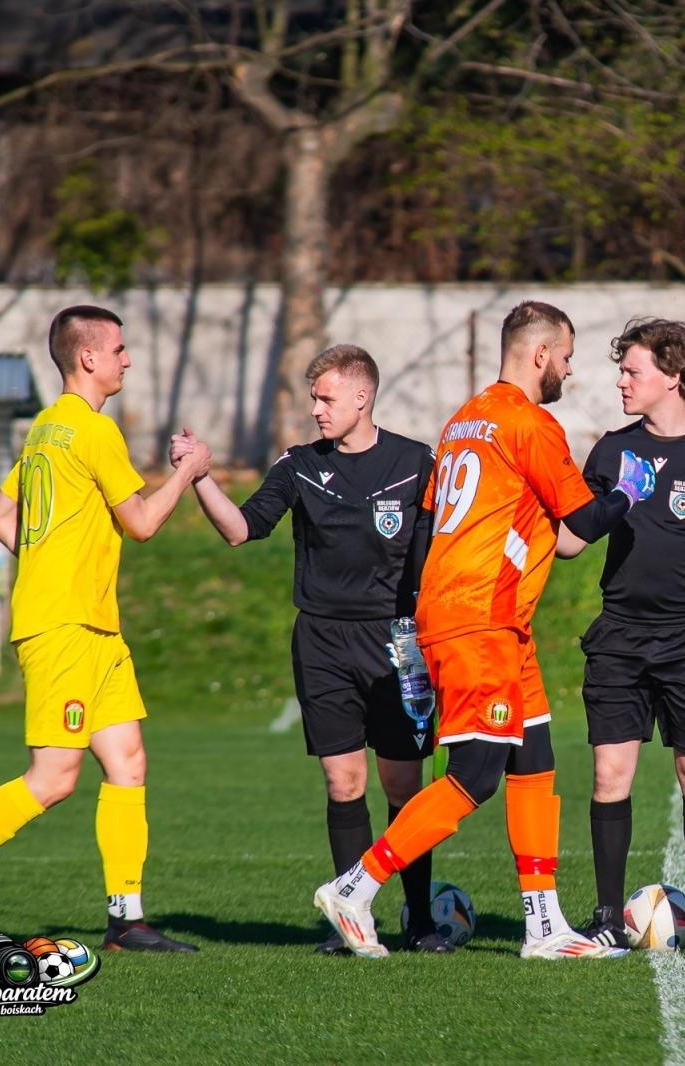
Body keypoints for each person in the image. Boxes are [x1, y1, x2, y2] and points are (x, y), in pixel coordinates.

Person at [312, 300, 655, 959]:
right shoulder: (529, 421)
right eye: (567, 356)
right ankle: (357, 885)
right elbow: (584, 522)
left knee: (535, 759)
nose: (569, 370)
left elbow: (437, 522)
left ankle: (544, 926)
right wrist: (628, 492)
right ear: (540, 354)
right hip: (479, 618)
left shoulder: (463, 420)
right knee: (474, 774)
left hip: (492, 620)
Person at [0, 305, 207, 953]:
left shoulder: (44, 429)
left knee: (127, 762)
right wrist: (188, 469)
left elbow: (0, 519)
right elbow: (142, 524)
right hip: (63, 627)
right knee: (55, 778)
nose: (127, 359)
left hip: (94, 628)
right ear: (88, 358)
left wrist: (48, 566)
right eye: (119, 349)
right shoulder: (92, 430)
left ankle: (126, 920)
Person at [170, 344, 442, 954]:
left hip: (397, 641)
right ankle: (351, 921)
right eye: (313, 398)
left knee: (404, 784)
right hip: (322, 640)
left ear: (361, 396)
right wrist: (200, 476)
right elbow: (241, 529)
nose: (316, 409)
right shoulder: (299, 465)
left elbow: (445, 545)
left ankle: (421, 919)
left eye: (326, 398)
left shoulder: (416, 462)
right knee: (344, 782)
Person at [554, 318, 685, 955]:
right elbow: (569, 543)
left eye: (633, 371)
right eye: (621, 370)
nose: (621, 381)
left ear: (673, 377)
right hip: (619, 639)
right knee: (608, 776)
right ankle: (605, 916)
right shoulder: (611, 451)